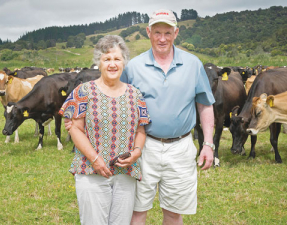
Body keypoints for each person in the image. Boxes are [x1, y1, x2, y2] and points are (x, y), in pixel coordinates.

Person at [120, 9, 215, 225]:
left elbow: (205, 106)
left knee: (173, 212)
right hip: (143, 148)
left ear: (176, 33)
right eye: (157, 32)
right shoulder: (133, 67)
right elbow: (119, 105)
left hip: (181, 147)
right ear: (148, 32)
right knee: (136, 210)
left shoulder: (193, 64)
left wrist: (208, 144)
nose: (162, 39)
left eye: (167, 33)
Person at [59, 35, 151, 225]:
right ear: (98, 63)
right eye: (106, 59)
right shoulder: (83, 92)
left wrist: (136, 152)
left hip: (125, 175)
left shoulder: (135, 94)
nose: (112, 64)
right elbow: (75, 129)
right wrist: (95, 159)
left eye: (117, 59)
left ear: (124, 62)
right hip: (91, 172)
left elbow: (141, 131)